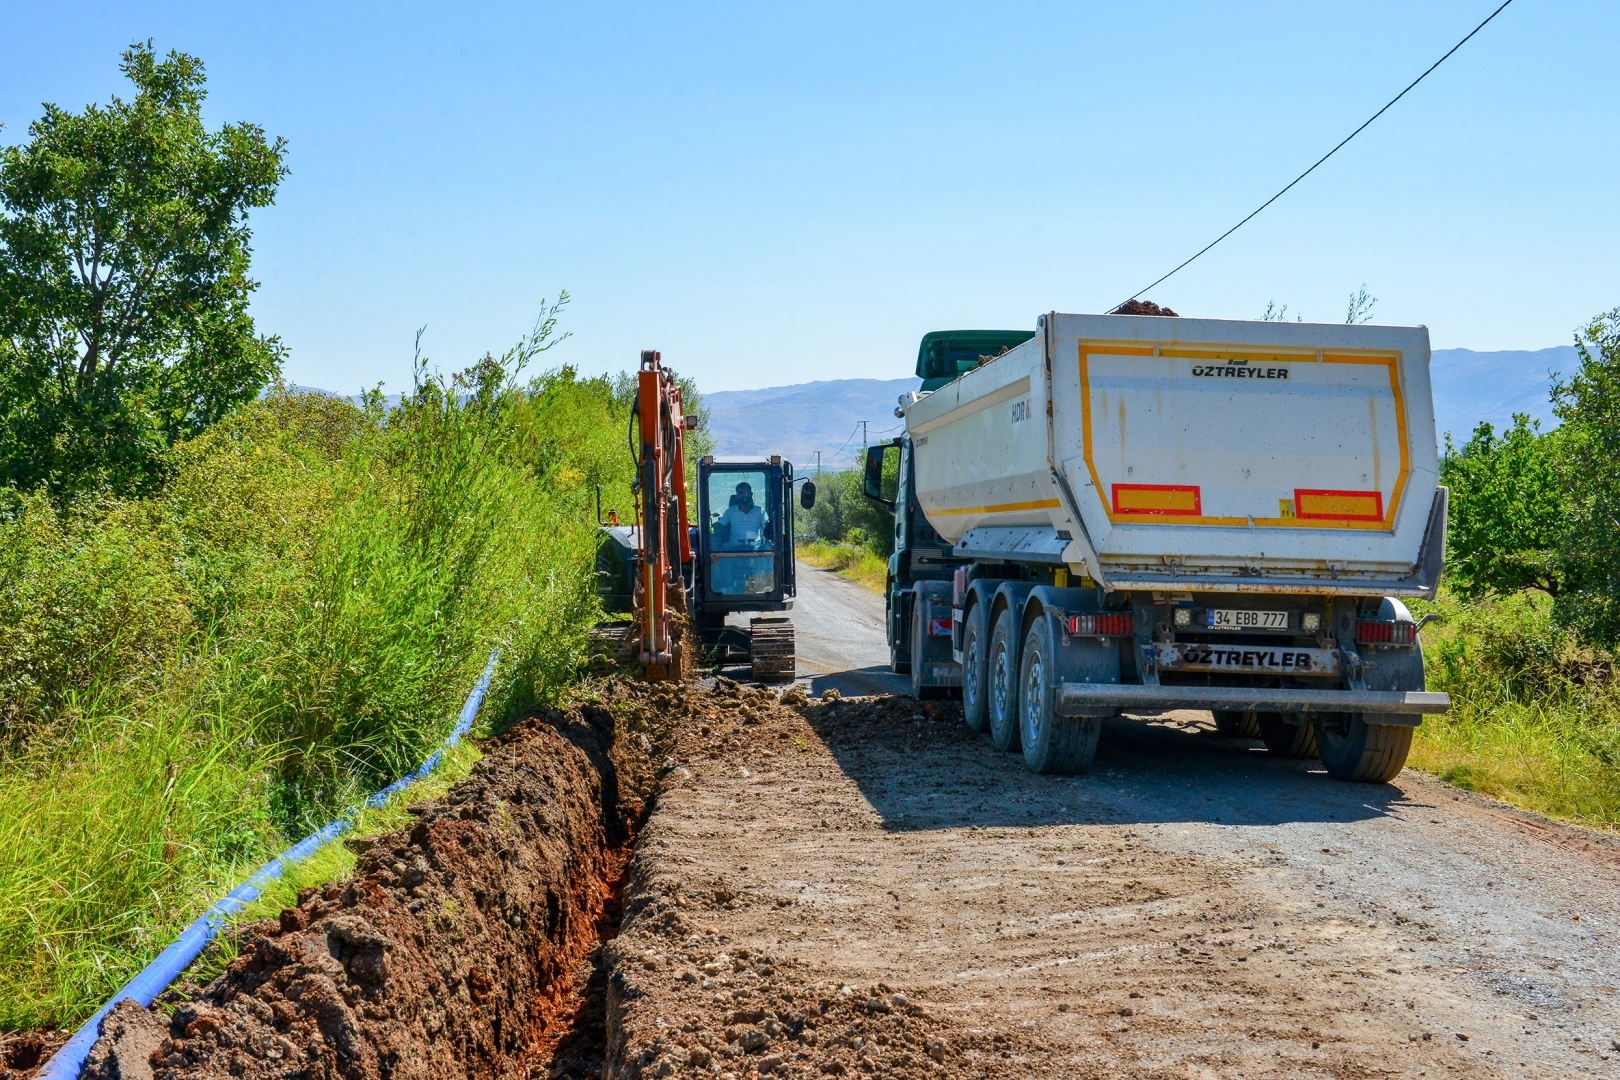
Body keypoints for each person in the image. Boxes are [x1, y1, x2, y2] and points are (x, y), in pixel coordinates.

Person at [716, 482, 768, 550]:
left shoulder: (760, 511)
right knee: (724, 547)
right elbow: (719, 527)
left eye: (746, 492)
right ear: (737, 496)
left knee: (766, 548)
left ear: (751, 494)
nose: (744, 495)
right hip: (734, 550)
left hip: (756, 551)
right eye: (740, 493)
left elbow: (768, 528)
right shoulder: (730, 511)